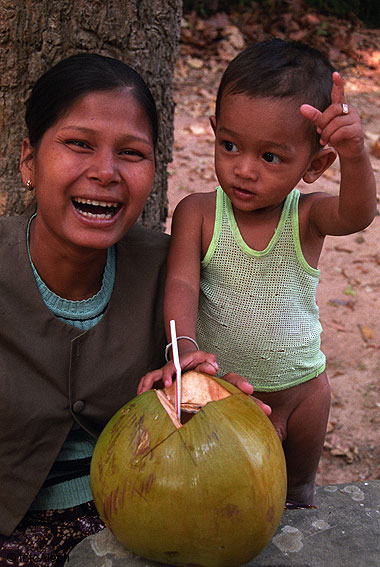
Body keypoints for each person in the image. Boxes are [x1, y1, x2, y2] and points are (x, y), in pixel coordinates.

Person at [0, 53, 268, 567]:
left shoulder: (173, 275)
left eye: (131, 153)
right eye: (78, 144)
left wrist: (224, 404)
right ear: (28, 161)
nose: (105, 172)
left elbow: (198, 377)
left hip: (141, 523)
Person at [138, 39, 377, 508]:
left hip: (304, 394)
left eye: (270, 157)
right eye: (229, 145)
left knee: (297, 498)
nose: (243, 170)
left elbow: (358, 215)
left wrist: (354, 153)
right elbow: (182, 282)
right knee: (229, 500)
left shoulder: (306, 217)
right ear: (214, 132)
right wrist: (182, 347)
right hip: (224, 395)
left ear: (315, 165)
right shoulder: (199, 213)